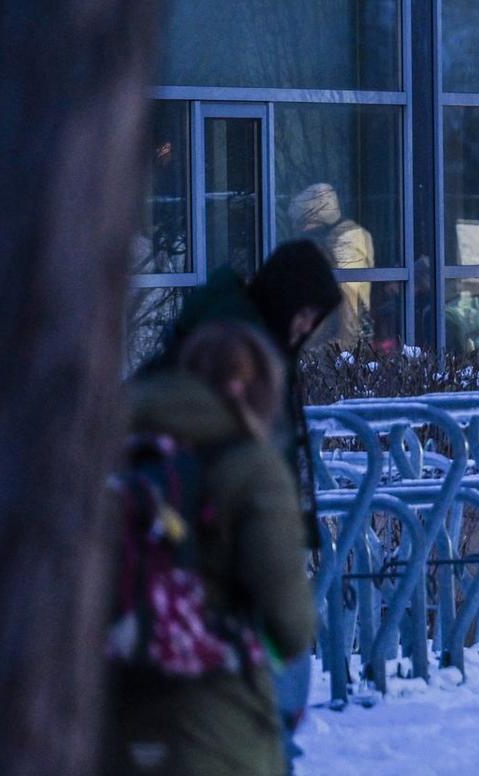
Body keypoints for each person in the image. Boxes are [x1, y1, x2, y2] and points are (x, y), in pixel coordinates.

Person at [140, 240, 341, 768]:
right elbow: (289, 621)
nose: (304, 330)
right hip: (230, 652)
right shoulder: (244, 443)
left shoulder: (138, 419)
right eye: (305, 314)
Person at [105, 321, 318, 776]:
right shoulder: (250, 467)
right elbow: (290, 623)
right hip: (216, 719)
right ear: (250, 389)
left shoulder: (112, 450)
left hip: (111, 712)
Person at [289, 183, 375, 349]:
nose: (301, 230)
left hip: (338, 343)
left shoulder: (346, 239)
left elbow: (349, 300)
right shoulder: (332, 240)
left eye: (305, 223)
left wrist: (343, 347)